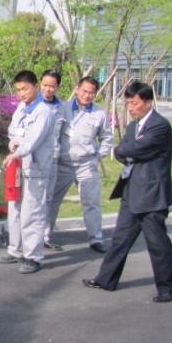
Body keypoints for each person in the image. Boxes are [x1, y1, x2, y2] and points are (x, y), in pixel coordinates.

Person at [83, 81, 172, 302]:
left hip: (151, 195)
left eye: (134, 103)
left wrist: (126, 151)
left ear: (147, 102)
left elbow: (136, 149)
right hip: (130, 190)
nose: (130, 107)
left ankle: (168, 288)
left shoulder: (159, 126)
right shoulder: (132, 127)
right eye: (127, 103)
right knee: (120, 239)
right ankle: (106, 279)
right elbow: (122, 151)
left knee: (157, 244)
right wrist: (124, 151)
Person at [0, 70, 56, 274]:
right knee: (14, 209)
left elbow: (33, 140)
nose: (21, 93)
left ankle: (33, 257)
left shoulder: (44, 112)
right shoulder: (21, 108)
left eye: (25, 88)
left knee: (32, 213)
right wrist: (13, 142)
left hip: (35, 168)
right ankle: (15, 250)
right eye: (18, 89)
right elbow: (13, 130)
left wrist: (16, 152)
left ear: (36, 87)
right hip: (19, 167)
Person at [49, 76, 114, 253]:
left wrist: (99, 156)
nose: (87, 95)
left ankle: (96, 238)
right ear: (77, 89)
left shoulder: (99, 114)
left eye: (91, 92)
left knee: (91, 202)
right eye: (84, 91)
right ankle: (45, 236)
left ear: (95, 93)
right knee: (52, 201)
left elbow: (107, 138)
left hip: (86, 165)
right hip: (62, 164)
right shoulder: (63, 108)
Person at [39, 69, 67, 251]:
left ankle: (45, 237)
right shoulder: (32, 104)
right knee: (29, 200)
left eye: (52, 86)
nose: (48, 89)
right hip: (33, 161)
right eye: (45, 85)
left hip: (53, 160)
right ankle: (11, 232)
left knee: (48, 199)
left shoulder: (61, 107)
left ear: (58, 87)